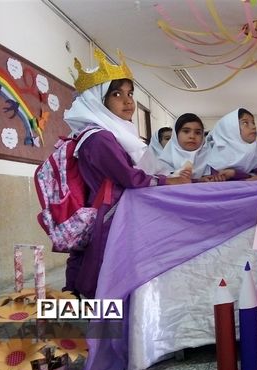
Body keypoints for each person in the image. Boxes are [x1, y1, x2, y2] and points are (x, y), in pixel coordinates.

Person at [62, 50, 190, 298]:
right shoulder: (99, 138)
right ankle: (83, 312)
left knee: (94, 265)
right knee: (98, 268)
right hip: (107, 213)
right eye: (117, 94)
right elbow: (129, 177)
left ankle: (83, 308)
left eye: (130, 93)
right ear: (98, 100)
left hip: (108, 209)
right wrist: (168, 180)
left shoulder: (109, 134)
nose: (128, 101)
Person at [205, 108, 257, 181]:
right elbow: (212, 181)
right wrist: (245, 176)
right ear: (231, 129)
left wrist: (235, 174)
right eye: (245, 123)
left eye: (253, 123)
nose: (253, 127)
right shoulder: (216, 154)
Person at [158, 113, 220, 182]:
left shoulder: (212, 158)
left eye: (198, 133)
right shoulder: (164, 161)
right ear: (176, 135)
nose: (192, 136)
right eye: (186, 131)